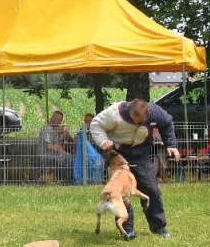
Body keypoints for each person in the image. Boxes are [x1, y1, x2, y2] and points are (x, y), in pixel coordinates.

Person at [87, 97, 181, 239]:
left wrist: (171, 145)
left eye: (140, 121)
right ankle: (127, 230)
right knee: (122, 192)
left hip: (140, 153)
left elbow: (167, 123)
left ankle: (159, 227)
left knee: (152, 189)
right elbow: (95, 124)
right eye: (133, 121)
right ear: (128, 112)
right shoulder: (114, 113)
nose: (137, 124)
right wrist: (103, 141)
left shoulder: (155, 112)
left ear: (147, 113)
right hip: (118, 153)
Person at [38, 109, 74, 179]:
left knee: (71, 157)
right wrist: (63, 152)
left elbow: (62, 142)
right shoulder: (47, 129)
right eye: (58, 120)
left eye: (61, 120)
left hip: (54, 155)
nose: (60, 122)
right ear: (53, 118)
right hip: (47, 155)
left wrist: (65, 133)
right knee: (71, 159)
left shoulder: (54, 130)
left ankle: (64, 179)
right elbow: (49, 146)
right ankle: (67, 180)